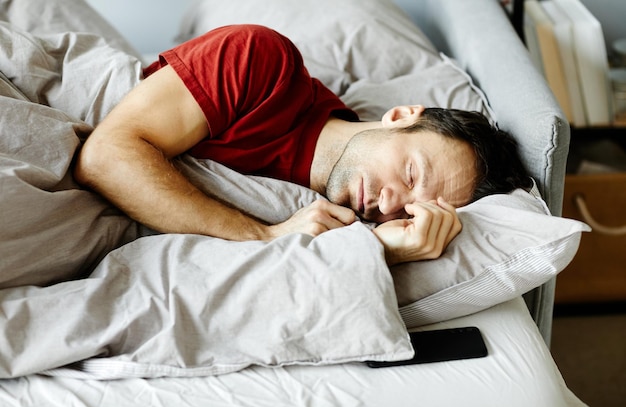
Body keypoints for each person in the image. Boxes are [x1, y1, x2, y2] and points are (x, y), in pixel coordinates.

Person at [74, 24, 531, 266]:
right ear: (400, 117)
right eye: (412, 175)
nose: (392, 204)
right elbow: (104, 156)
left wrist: (380, 253)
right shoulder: (262, 63)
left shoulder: (343, 232)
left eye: (412, 212)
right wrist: (264, 237)